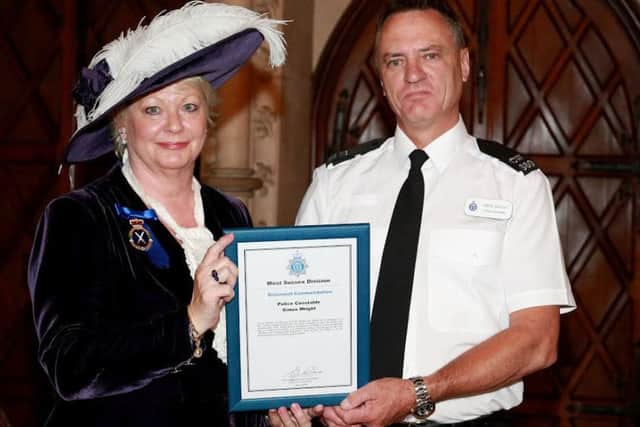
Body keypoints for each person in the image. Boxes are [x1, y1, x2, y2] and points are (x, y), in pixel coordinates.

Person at [27, 2, 314, 426]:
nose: (175, 126)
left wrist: (270, 416)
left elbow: (234, 366)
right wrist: (189, 323)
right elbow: (70, 368)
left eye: (189, 107)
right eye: (153, 110)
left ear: (207, 118)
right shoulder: (79, 216)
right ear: (122, 125)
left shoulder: (229, 212)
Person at [296, 1, 576, 426]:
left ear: (462, 64)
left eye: (430, 55)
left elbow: (537, 341)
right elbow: (299, 311)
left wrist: (417, 393)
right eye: (395, 61)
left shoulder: (516, 185)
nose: (413, 74)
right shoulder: (334, 183)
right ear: (382, 80)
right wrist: (298, 398)